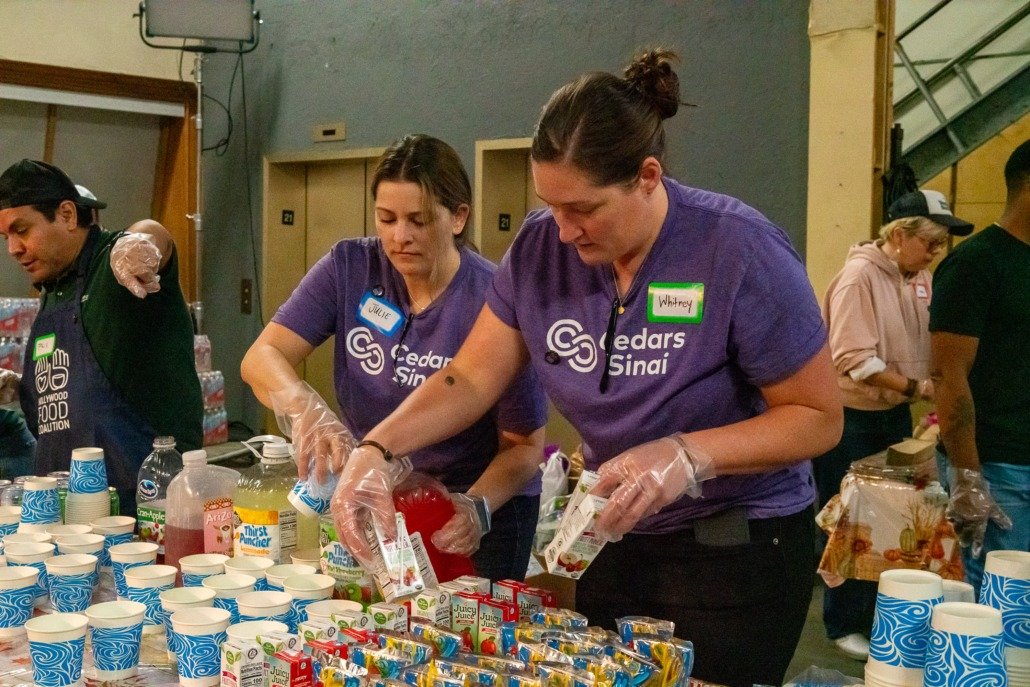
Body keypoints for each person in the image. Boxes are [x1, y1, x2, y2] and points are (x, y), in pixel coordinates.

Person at [328, 50, 842, 687]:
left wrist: (685, 456)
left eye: (584, 209)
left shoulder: (735, 249)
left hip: (732, 545)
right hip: (610, 535)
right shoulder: (543, 247)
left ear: (647, 177)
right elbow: (470, 378)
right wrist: (375, 452)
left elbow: (817, 418)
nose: (564, 231)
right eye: (551, 205)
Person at [241, 134, 548, 581]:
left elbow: (523, 448)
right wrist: (304, 407)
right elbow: (261, 357)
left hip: (469, 508)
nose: (399, 237)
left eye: (418, 221)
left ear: (458, 217)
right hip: (376, 492)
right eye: (386, 219)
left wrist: (473, 507)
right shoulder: (350, 268)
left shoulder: (495, 299)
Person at [815, 189, 973, 660]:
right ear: (900, 236)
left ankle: (873, 615)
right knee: (850, 521)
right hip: (852, 417)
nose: (937, 253)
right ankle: (841, 621)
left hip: (889, 414)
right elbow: (853, 359)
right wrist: (918, 388)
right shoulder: (859, 278)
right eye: (932, 242)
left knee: (889, 521)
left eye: (942, 244)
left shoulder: (917, 276)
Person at [0, 159, 203, 514]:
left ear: (66, 215)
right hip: (67, 513)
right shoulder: (52, 291)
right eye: (6, 238)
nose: (13, 249)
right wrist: (26, 387)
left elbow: (156, 236)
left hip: (144, 510)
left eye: (22, 230)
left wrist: (141, 241)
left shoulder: (115, 265)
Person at [930, 138, 1030, 596]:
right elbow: (949, 377)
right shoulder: (977, 264)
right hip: (1001, 467)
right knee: (1003, 604)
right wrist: (968, 478)